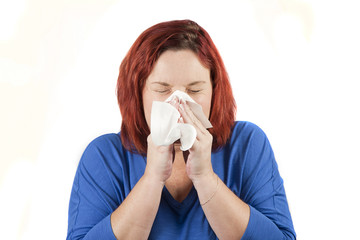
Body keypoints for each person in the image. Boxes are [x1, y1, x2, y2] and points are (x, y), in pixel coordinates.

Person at [66, 19, 296, 240]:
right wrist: (153, 178)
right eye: (162, 89)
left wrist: (204, 176)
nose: (178, 104)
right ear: (139, 93)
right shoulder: (104, 156)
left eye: (194, 91)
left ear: (215, 91)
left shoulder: (247, 144)